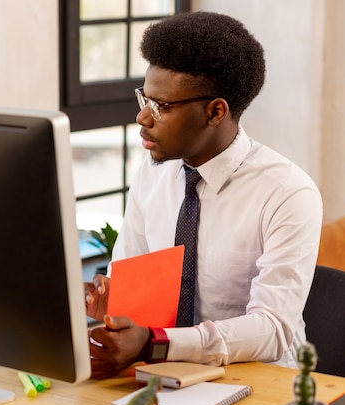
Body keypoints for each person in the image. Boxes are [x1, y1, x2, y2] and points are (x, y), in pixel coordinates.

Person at [84, 11, 323, 379]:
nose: (142, 119)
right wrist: (113, 304)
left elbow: (273, 328)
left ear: (215, 112)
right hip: (159, 376)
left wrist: (157, 342)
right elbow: (131, 286)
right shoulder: (152, 174)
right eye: (143, 99)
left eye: (161, 107)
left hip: (259, 383)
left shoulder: (288, 194)